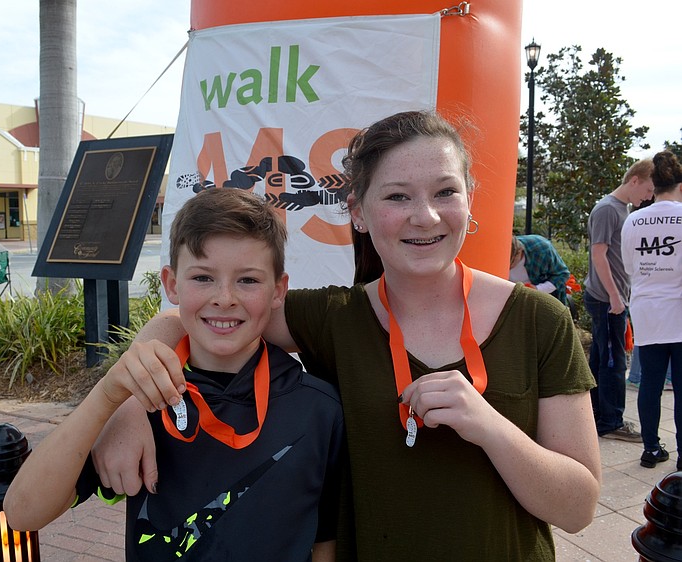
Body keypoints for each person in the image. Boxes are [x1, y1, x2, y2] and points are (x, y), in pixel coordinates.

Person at [92, 111, 602, 560]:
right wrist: (130, 404)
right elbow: (197, 315)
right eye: (397, 196)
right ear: (358, 212)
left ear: (470, 199)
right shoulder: (334, 317)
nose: (425, 216)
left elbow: (578, 508)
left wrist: (489, 426)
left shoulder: (538, 320)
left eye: (445, 192)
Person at [3, 188, 345, 561]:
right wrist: (107, 396)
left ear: (278, 290)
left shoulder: (319, 408)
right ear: (171, 284)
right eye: (203, 277)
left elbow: (325, 540)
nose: (224, 297)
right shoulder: (141, 402)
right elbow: (23, 513)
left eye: (248, 280)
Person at [584, 158, 655, 442]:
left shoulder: (622, 209)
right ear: (635, 180)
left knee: (602, 359)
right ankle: (611, 422)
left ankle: (596, 414)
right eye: (648, 190)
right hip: (606, 300)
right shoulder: (607, 209)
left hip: (611, 298)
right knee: (614, 363)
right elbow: (598, 255)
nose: (648, 197)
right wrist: (615, 297)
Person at [621, 150, 682, 469]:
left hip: (647, 312)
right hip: (678, 312)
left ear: (653, 185)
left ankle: (651, 448)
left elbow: (629, 267)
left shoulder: (634, 219)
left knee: (650, 384)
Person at [509, 233, 571, 305]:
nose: (507, 268)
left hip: (546, 300)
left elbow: (562, 274)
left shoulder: (542, 249)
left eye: (510, 263)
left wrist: (538, 289)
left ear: (519, 252)